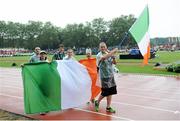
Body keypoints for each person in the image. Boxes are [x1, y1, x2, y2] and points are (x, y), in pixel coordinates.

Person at [95, 42, 118, 113]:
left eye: (104, 47)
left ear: (106, 47)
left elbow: (114, 63)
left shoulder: (109, 53)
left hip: (111, 75)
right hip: (104, 77)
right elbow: (104, 58)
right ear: (99, 48)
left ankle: (108, 107)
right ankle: (97, 102)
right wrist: (113, 51)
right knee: (105, 92)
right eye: (101, 47)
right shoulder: (99, 55)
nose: (102, 48)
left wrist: (113, 58)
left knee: (111, 91)